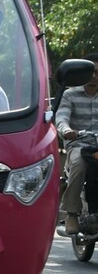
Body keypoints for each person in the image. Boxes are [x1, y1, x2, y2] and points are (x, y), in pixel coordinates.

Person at [56, 52, 98, 234]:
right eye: (91, 71)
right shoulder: (70, 94)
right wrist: (66, 131)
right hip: (79, 145)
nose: (94, 76)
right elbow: (61, 117)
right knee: (79, 164)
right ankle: (71, 212)